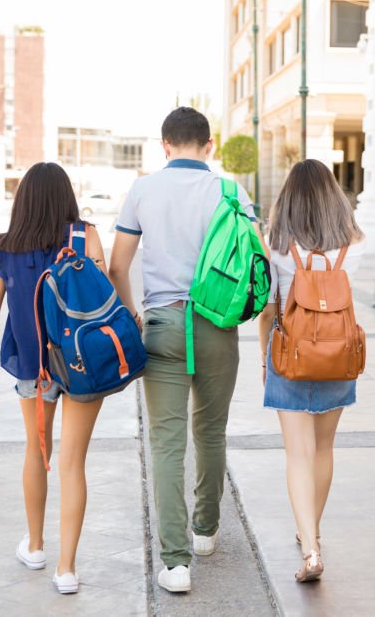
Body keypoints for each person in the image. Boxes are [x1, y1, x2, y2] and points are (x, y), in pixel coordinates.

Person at [109, 107, 260, 593]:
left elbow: (118, 266)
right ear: (210, 146)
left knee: (167, 442)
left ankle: (174, 563)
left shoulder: (142, 190)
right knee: (211, 431)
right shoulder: (232, 191)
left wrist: (134, 312)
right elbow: (254, 261)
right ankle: (205, 531)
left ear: (165, 145)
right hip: (218, 324)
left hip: (161, 322)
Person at [0, 162, 112, 594]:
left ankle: (35, 546)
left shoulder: (8, 247)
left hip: (34, 365)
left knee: (37, 450)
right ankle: (66, 569)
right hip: (83, 363)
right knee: (73, 462)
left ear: (24, 200)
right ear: (67, 196)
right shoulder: (85, 237)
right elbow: (105, 293)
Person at [257, 159, 366, 582]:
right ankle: (311, 533)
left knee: (298, 454)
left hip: (290, 354)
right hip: (339, 356)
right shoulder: (355, 243)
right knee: (323, 450)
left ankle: (311, 547)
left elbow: (268, 309)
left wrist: (264, 359)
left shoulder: (279, 244)